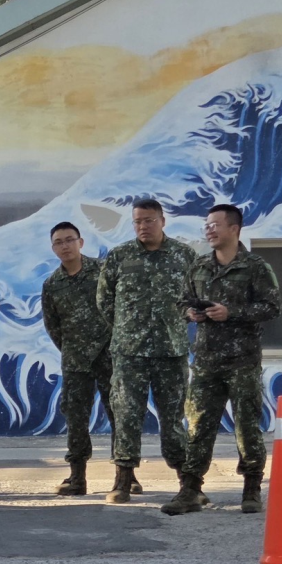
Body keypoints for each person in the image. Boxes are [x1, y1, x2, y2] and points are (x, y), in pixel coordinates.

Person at [162, 204, 280, 516]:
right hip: (206, 362)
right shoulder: (199, 266)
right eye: (207, 225)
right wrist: (191, 313)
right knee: (198, 426)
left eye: (215, 224)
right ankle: (190, 490)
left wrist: (232, 313)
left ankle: (252, 487)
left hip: (242, 361)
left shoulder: (255, 267)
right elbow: (181, 302)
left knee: (246, 426)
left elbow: (272, 307)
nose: (209, 230)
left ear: (234, 229)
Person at [97, 198, 196, 504]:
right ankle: (123, 480)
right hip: (130, 354)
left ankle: (187, 482)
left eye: (149, 220)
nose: (143, 226)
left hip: (171, 351)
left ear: (162, 221)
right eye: (138, 221)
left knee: (173, 418)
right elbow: (104, 300)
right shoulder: (120, 256)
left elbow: (196, 296)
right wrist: (128, 329)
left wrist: (175, 323)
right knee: (126, 416)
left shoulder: (184, 255)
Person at [41, 221, 116, 496]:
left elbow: (119, 308)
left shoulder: (103, 271)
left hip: (109, 355)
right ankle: (77, 476)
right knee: (75, 417)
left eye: (69, 240)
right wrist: (72, 349)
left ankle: (126, 475)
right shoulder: (52, 284)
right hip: (75, 361)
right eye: (59, 242)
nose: (65, 246)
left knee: (119, 414)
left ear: (81, 242)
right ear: (53, 248)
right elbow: (53, 325)